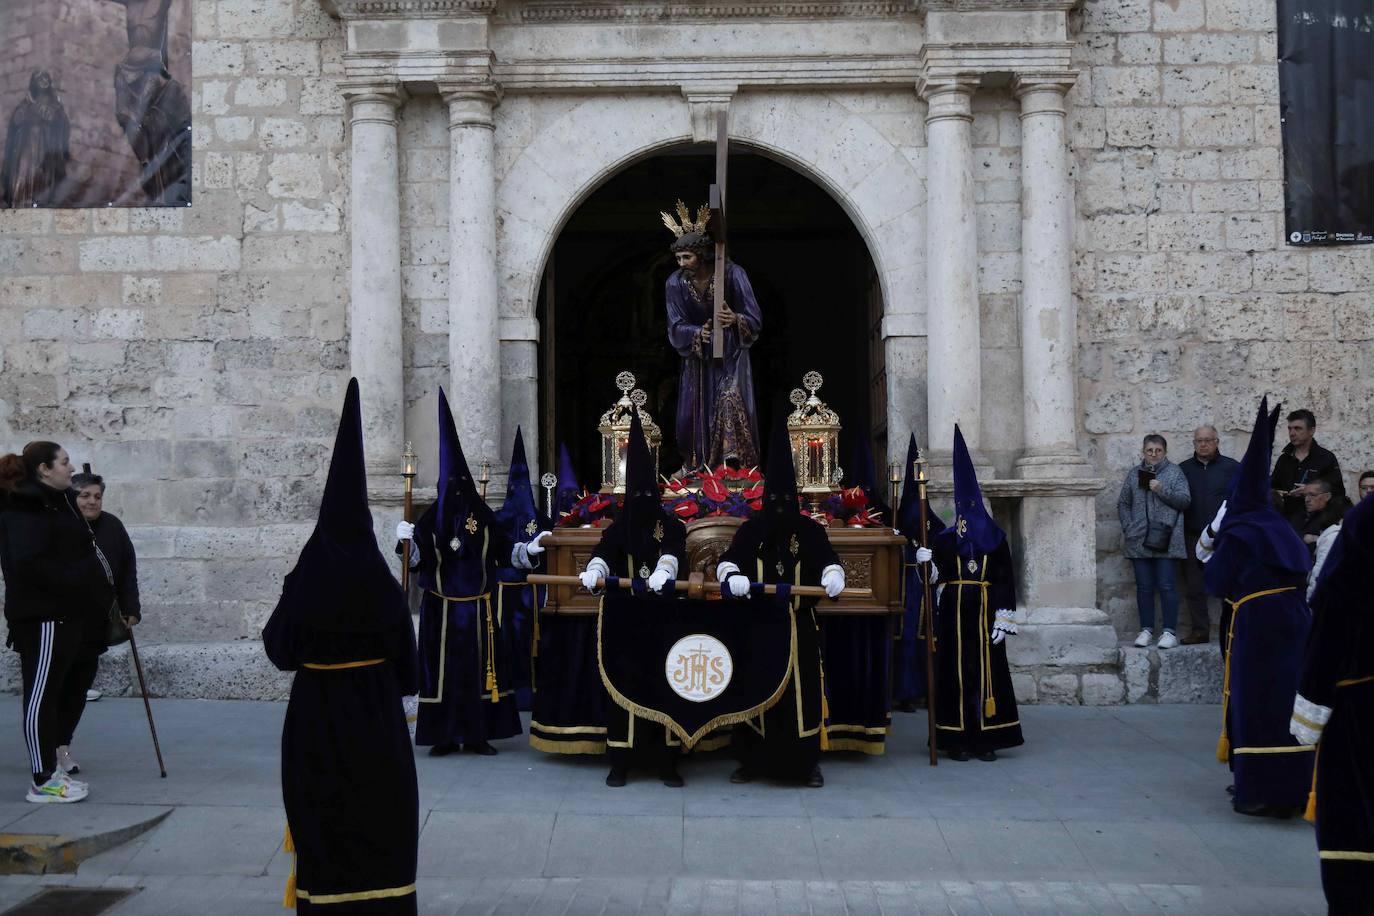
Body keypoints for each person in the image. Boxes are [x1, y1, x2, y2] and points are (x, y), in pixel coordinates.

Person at [263, 379, 420, 913]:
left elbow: (279, 649)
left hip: (315, 718)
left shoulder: (303, 578)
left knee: (323, 816)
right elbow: (409, 669)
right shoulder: (381, 583)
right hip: (375, 719)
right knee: (381, 819)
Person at [396, 389, 550, 757]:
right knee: (445, 676)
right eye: (453, 487)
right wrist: (406, 542)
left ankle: (478, 735)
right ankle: (445, 736)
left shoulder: (483, 517)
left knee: (479, 674)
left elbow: (504, 554)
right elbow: (417, 561)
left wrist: (527, 551)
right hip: (441, 612)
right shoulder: (431, 518)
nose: (459, 493)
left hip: (480, 611)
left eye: (462, 485)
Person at [1197, 398, 1313, 818]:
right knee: (1287, 702)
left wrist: (1213, 543)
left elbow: (1216, 581)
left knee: (1255, 703)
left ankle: (1259, 789)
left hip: (1257, 628)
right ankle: (1295, 786)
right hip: (1295, 623)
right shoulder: (1280, 527)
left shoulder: (1242, 530)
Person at [716, 418, 844, 787]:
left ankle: (805, 764)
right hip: (758, 625)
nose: (780, 506)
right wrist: (732, 576)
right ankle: (751, 761)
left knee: (799, 694)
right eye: (774, 500)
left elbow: (828, 561)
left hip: (798, 624)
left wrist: (833, 575)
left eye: (786, 500)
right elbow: (729, 561)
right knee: (755, 688)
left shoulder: (810, 530)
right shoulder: (752, 529)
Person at [578, 410, 688, 787]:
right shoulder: (619, 527)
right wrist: (594, 570)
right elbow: (603, 552)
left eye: (647, 492)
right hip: (624, 619)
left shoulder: (669, 523)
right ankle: (621, 760)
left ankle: (666, 760)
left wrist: (665, 570)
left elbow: (674, 550)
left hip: (662, 619)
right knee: (623, 687)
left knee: (663, 688)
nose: (642, 499)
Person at [0, 442, 112, 804]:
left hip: (67, 615)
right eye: (64, 463)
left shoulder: (57, 501)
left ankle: (52, 769)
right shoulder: (26, 508)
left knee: (54, 696)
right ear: (45, 470)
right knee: (40, 697)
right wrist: (79, 577)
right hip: (45, 616)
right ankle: (42, 779)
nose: (69, 468)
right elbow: (29, 565)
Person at [1289, 488, 1374, 913]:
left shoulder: (1362, 524)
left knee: (1353, 814)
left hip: (1361, 702)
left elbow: (1333, 610)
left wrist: (1311, 704)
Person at [928, 425, 1022, 762]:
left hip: (983, 611)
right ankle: (955, 739)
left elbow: (1005, 579)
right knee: (953, 671)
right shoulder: (945, 539)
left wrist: (1004, 615)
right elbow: (936, 577)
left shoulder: (995, 539)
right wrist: (928, 563)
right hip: (954, 612)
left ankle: (987, 738)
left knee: (986, 672)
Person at [662, 200, 763, 473]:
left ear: (703, 254)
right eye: (679, 258)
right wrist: (697, 333)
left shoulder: (733, 274)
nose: (682, 264)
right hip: (697, 357)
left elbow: (754, 317)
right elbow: (674, 324)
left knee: (730, 401)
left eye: (687, 257)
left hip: (731, 353)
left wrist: (735, 319)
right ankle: (695, 464)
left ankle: (734, 468)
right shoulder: (675, 282)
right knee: (690, 414)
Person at [57, 466, 141, 777]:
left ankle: (62, 746)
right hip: (60, 623)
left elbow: (127, 570)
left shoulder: (112, 526)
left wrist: (131, 608)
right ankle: (46, 750)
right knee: (56, 689)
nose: (92, 501)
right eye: (84, 496)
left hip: (94, 626)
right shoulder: (59, 526)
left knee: (78, 689)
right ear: (71, 497)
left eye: (97, 496)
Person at [1117, 434, 1191, 649]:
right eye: (1150, 450)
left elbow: (1185, 501)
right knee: (1144, 587)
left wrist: (1161, 489)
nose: (1153, 454)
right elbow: (1123, 503)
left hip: (1166, 539)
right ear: (1143, 451)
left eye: (1158, 450)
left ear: (1164, 452)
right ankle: (1146, 629)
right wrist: (1129, 526)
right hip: (1138, 539)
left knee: (1167, 586)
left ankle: (1169, 631)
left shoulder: (1175, 472)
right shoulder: (1134, 474)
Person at [491, 428, 547, 711]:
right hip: (502, 595)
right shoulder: (497, 519)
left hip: (532, 594)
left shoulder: (542, 520)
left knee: (531, 644)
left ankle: (532, 692)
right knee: (504, 643)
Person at [892, 434, 944, 713]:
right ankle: (903, 691)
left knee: (922, 636)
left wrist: (932, 562)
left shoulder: (925, 513)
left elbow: (935, 534)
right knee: (905, 637)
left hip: (921, 585)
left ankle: (925, 689)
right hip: (904, 587)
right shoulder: (904, 514)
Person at [1177, 426, 1239, 644]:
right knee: (1194, 587)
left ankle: (1231, 630)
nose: (1203, 444)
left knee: (1229, 585)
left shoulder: (1232, 468)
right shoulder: (1182, 469)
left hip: (1223, 538)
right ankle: (1200, 631)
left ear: (1217, 441)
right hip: (1193, 536)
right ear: (1194, 443)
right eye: (1199, 441)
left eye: (1207, 440)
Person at [1, 70, 70, 208]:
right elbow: (15, 123)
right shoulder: (25, 104)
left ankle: (39, 201)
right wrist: (20, 117)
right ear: (34, 82)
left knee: (41, 175)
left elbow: (63, 125)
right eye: (40, 78)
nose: (44, 80)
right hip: (25, 146)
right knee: (23, 172)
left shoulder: (56, 106)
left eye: (46, 77)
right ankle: (18, 200)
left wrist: (53, 118)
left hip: (45, 146)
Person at [1271, 409, 1344, 529]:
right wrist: (1278, 493)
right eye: (1290, 428)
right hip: (1286, 522)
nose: (1292, 433)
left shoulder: (1326, 458)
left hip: (1315, 524)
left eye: (1298, 428)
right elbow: (1272, 487)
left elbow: (1338, 493)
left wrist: (1310, 490)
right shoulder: (1284, 459)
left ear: (1311, 430)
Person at [1298, 479, 1347, 555]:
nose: (1306, 500)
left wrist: (1317, 539)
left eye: (1312, 495)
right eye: (1305, 495)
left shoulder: (1336, 517)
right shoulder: (1304, 514)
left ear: (1327, 496)